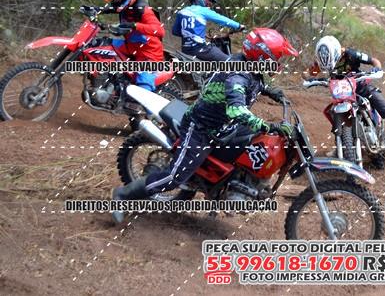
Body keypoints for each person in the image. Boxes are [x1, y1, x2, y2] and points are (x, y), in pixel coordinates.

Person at [111, 28, 297, 223]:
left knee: (252, 144)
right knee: (174, 178)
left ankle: (229, 184)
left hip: (223, 127)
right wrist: (268, 126)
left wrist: (269, 91)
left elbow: (252, 82)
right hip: (201, 129)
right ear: (262, 56)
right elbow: (236, 110)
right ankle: (123, 195)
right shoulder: (238, 76)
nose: (278, 63)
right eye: (276, 58)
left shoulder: (247, 67)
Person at [310, 35, 385, 159]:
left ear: (336, 53)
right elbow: (310, 72)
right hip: (341, 93)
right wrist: (309, 77)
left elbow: (374, 60)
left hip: (361, 87)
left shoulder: (350, 54)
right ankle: (342, 145)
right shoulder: (323, 59)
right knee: (332, 112)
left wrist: (377, 69)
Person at [98, 0, 164, 91]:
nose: (115, 1)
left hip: (149, 54)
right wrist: (97, 10)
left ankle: (143, 98)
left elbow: (160, 31)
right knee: (100, 45)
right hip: (131, 47)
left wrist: (135, 25)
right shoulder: (125, 7)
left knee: (143, 87)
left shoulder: (143, 10)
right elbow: (112, 8)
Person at [171, 0, 245, 61]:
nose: (208, 4)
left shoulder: (182, 12)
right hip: (200, 49)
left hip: (185, 50)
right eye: (208, 1)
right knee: (229, 61)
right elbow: (222, 19)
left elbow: (175, 32)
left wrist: (190, 34)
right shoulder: (203, 11)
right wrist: (238, 25)